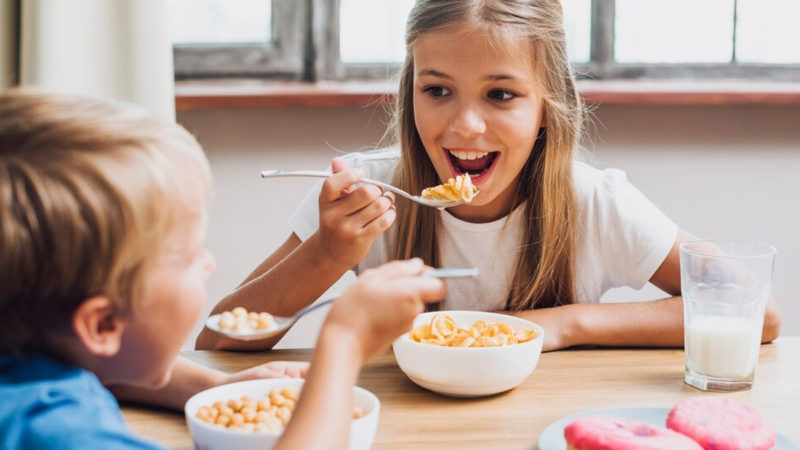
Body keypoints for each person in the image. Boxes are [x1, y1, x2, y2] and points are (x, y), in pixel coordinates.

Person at [197, 0, 781, 354]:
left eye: (501, 94)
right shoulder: (364, 190)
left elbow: (754, 310)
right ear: (411, 91)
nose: (466, 125)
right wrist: (326, 254)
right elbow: (217, 342)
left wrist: (560, 326)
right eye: (438, 90)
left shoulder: (592, 203)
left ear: (547, 105)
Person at [0, 90, 446, 449]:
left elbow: (95, 364)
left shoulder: (29, 358)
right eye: (191, 254)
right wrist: (343, 344)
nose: (210, 262)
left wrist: (211, 387)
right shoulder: (65, 434)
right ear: (101, 323)